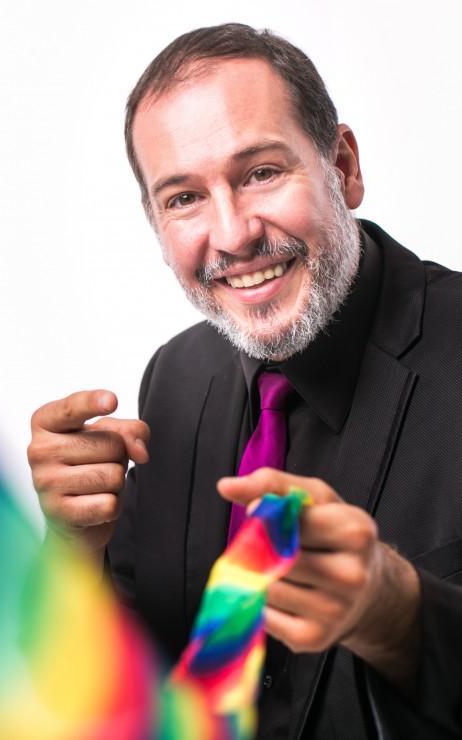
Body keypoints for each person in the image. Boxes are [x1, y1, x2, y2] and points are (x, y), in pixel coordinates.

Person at [26, 23, 462, 739]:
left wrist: (398, 616)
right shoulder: (175, 379)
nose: (232, 236)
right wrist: (73, 545)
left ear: (343, 166)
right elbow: (105, 689)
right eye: (184, 198)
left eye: (261, 173)